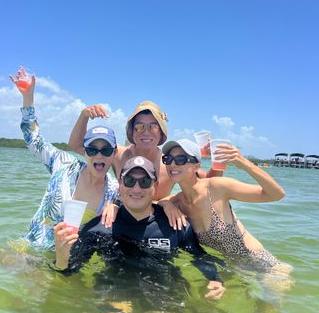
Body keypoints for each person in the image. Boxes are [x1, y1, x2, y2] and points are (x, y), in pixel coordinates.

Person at [53, 156, 226, 300]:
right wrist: (61, 255)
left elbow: (199, 257)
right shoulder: (99, 227)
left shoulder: (176, 223)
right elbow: (68, 273)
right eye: (129, 180)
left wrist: (214, 279)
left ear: (155, 186)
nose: (136, 188)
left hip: (163, 292)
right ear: (120, 184)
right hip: (114, 290)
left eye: (144, 182)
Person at [10, 72, 119, 251]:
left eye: (106, 150)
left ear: (114, 154)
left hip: (67, 263)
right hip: (31, 249)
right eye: (92, 149)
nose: (99, 155)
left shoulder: (114, 191)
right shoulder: (64, 164)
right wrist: (28, 98)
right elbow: (33, 139)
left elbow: (145, 200)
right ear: (84, 151)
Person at [161, 139, 292, 273]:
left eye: (181, 159)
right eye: (168, 159)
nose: (172, 164)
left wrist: (246, 164)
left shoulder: (216, 187)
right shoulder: (177, 203)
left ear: (196, 166)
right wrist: (166, 204)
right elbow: (151, 203)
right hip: (234, 269)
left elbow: (276, 194)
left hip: (263, 265)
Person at [68, 101, 223, 202]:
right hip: (123, 219)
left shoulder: (169, 163)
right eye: (140, 127)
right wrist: (84, 116)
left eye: (153, 127)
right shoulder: (120, 155)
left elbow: (211, 183)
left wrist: (219, 159)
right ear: (132, 132)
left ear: (161, 132)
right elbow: (76, 146)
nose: (146, 132)